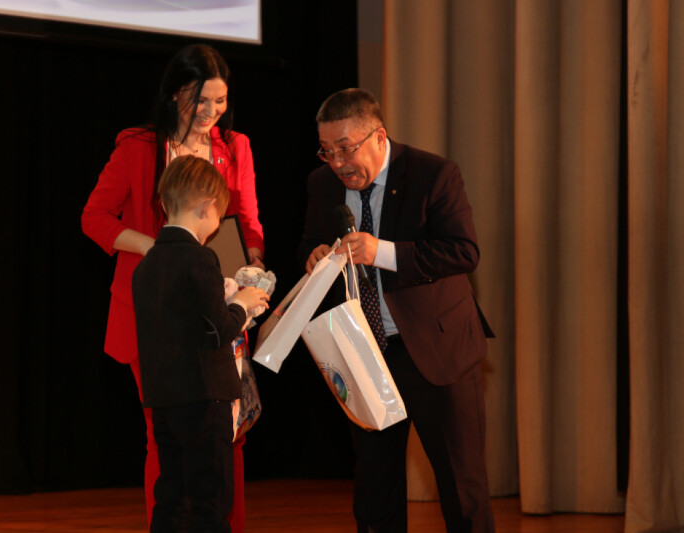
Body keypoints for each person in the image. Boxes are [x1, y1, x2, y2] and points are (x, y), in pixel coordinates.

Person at [81, 44, 264, 530]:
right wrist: (158, 249)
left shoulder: (235, 147)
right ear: (175, 93)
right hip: (155, 313)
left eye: (220, 101)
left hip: (216, 307)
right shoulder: (139, 146)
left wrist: (253, 266)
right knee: (163, 437)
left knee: (229, 431)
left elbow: (247, 222)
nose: (211, 112)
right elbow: (94, 217)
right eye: (200, 100)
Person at [298, 88, 496, 533]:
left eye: (346, 149)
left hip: (435, 349)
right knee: (375, 490)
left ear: (378, 136)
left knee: (462, 490)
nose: (338, 163)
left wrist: (381, 252)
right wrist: (313, 256)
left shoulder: (434, 174)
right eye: (327, 151)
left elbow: (463, 251)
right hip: (364, 352)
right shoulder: (321, 183)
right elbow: (309, 242)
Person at [132, 155, 269, 532]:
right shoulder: (201, 259)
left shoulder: (146, 266)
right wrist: (242, 303)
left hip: (164, 399)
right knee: (211, 500)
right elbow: (217, 331)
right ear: (208, 208)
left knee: (171, 498)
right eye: (219, 217)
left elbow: (179, 328)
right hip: (206, 400)